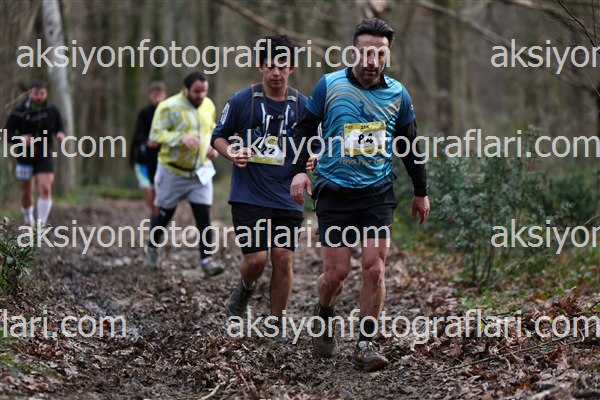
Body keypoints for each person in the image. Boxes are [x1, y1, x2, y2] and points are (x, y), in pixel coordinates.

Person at [289, 18, 430, 371]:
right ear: (354, 52)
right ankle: (325, 311)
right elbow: (304, 130)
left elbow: (410, 145)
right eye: (366, 52)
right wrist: (298, 171)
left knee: (374, 268)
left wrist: (421, 191)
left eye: (380, 53)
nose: (372, 60)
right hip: (335, 191)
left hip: (377, 193)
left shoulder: (398, 94)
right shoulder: (329, 85)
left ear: (387, 55)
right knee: (336, 274)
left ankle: (366, 343)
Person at [211, 35, 309, 330]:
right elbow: (218, 137)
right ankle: (244, 289)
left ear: (292, 67)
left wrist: (312, 159)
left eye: (282, 66)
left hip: (287, 195)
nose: (276, 72)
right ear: (260, 66)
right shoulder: (242, 100)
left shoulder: (303, 105)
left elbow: (316, 142)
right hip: (249, 194)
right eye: (269, 66)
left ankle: (276, 322)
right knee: (256, 260)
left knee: (283, 258)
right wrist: (231, 153)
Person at [143, 72, 224, 277]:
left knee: (203, 215)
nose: (201, 95)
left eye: (204, 91)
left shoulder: (208, 105)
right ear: (185, 89)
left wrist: (213, 147)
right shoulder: (168, 106)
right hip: (172, 171)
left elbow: (212, 129)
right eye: (196, 91)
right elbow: (155, 135)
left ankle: (207, 261)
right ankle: (152, 248)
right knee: (164, 214)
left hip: (199, 172)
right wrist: (180, 137)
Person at [4, 81, 66, 226]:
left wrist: (60, 134)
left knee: (45, 188)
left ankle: (41, 226)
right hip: (25, 154)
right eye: (36, 93)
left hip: (44, 153)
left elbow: (60, 127)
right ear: (30, 93)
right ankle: (28, 218)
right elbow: (6, 133)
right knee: (26, 192)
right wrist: (19, 139)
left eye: (42, 94)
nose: (39, 97)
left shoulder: (52, 111)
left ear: (46, 94)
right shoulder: (19, 112)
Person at [130, 81, 167, 219]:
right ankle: (154, 214)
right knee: (148, 190)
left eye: (160, 94)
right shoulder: (144, 113)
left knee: (158, 191)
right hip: (143, 161)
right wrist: (147, 142)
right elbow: (136, 136)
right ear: (150, 95)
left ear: (164, 95)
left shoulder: (168, 113)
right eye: (154, 95)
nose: (157, 98)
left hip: (162, 160)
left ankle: (157, 218)